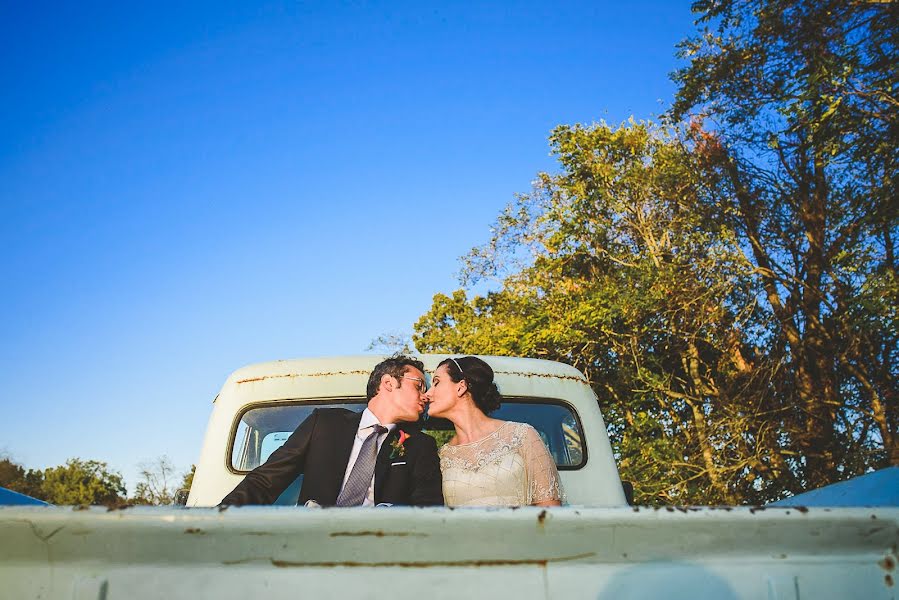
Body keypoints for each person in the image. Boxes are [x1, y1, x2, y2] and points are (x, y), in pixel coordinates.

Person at [221, 355, 443, 507]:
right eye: (419, 386)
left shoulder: (420, 445)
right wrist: (217, 519)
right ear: (388, 383)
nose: (425, 395)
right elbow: (266, 479)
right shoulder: (324, 424)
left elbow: (426, 509)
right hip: (314, 548)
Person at [425, 356, 562, 507]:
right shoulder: (442, 455)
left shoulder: (522, 435)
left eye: (436, 383)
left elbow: (549, 510)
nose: (428, 394)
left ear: (461, 386)